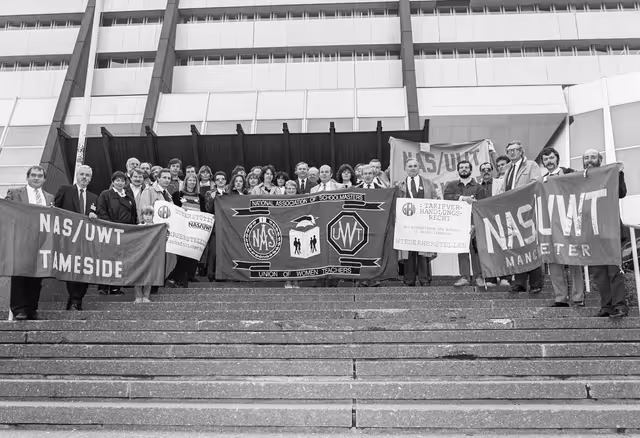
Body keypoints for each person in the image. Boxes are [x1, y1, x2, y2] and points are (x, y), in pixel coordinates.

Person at [583, 149, 629, 318]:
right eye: (586, 157)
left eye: (593, 157)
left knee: (614, 271)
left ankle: (620, 306)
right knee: (599, 274)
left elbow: (621, 193)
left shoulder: (610, 175)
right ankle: (606, 307)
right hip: (591, 234)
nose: (589, 160)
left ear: (599, 160)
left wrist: (619, 173)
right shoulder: (580, 180)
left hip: (611, 232)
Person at [5, 165, 54, 321]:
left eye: (40, 175)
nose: (36, 178)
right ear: (27, 177)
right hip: (20, 240)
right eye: (33, 175)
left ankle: (32, 309)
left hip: (40, 241)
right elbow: (6, 211)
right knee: (20, 274)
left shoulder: (49, 197)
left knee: (37, 275)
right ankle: (19, 309)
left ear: (44, 179)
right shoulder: (15, 193)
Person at [539, 148, 585, 308]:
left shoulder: (570, 173)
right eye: (546, 159)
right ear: (543, 163)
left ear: (557, 159)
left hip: (569, 223)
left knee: (574, 259)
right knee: (553, 260)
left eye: (551, 158)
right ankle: (560, 298)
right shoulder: (541, 181)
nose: (549, 161)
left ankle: (578, 297)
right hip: (551, 226)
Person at [498, 141, 544, 294]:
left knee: (532, 246)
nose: (512, 153)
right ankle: (519, 282)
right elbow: (502, 191)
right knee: (517, 247)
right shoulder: (507, 169)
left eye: (515, 150)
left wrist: (518, 195)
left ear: (521, 151)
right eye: (509, 150)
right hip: (512, 213)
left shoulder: (531, 165)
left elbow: (536, 184)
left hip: (527, 211)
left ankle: (536, 282)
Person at [53, 165, 98, 311]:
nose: (84, 177)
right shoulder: (65, 190)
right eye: (82, 174)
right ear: (77, 176)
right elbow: (55, 210)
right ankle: (74, 299)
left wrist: (95, 218)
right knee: (71, 268)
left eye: (87, 175)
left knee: (83, 269)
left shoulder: (93, 198)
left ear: (90, 179)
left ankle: (77, 299)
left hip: (85, 240)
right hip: (67, 239)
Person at [396, 159, 439, 287]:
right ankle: (409, 280)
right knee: (408, 252)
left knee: (423, 252)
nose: (413, 168)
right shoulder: (399, 185)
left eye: (415, 166)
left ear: (419, 168)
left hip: (424, 223)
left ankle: (424, 280)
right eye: (410, 166)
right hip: (406, 223)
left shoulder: (428, 183)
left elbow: (435, 199)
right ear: (405, 168)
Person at [96, 171, 138, 295]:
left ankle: (116, 287)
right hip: (109, 232)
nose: (120, 183)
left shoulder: (129, 196)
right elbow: (101, 211)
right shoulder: (106, 194)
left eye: (122, 180)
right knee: (107, 259)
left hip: (125, 233)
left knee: (120, 260)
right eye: (117, 180)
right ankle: (103, 286)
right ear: (113, 182)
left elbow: (133, 215)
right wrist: (110, 225)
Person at [444, 160, 484, 287]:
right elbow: (446, 197)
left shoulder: (478, 187)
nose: (464, 169)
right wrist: (462, 198)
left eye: (466, 167)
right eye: (461, 168)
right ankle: (464, 277)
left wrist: (475, 224)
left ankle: (479, 277)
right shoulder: (451, 185)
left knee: (476, 251)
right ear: (458, 170)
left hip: (474, 225)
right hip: (458, 225)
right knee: (462, 250)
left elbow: (482, 206)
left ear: (471, 170)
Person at [139, 168, 174, 294]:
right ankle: (147, 286)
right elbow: (143, 211)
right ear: (158, 178)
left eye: (169, 178)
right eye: (164, 177)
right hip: (151, 232)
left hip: (162, 233)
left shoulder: (168, 195)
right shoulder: (149, 191)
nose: (167, 180)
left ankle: (156, 283)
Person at [168, 174, 206, 288]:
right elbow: (175, 210)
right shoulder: (178, 195)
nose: (192, 182)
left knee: (192, 254)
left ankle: (184, 277)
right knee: (183, 255)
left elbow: (204, 212)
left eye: (194, 180)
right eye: (190, 180)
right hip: (182, 228)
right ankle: (175, 277)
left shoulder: (201, 197)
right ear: (186, 181)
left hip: (195, 230)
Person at [476, 162, 507, 288]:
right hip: (484, 223)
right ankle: (491, 278)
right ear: (480, 173)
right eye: (483, 170)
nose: (486, 172)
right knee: (487, 251)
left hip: (499, 220)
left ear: (492, 171)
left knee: (502, 250)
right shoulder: (477, 187)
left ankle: (505, 277)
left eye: (489, 169)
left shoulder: (501, 183)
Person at [205, 172, 229, 282]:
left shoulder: (229, 195)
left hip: (227, 227)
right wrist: (212, 199)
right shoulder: (209, 193)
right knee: (213, 251)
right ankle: (210, 274)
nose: (220, 181)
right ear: (214, 182)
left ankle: (223, 273)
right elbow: (208, 209)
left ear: (225, 181)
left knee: (226, 250)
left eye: (222, 179)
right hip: (215, 226)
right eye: (218, 179)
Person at [134, 205, 156, 303]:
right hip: (140, 254)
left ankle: (146, 296)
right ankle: (138, 296)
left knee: (148, 276)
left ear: (153, 216)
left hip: (151, 255)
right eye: (145, 214)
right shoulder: (138, 227)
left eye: (150, 214)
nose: (147, 216)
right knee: (138, 275)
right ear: (142, 216)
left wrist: (166, 229)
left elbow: (164, 238)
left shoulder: (157, 227)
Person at [284, 180, 300, 289]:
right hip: (285, 233)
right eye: (288, 188)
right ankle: (287, 281)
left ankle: (296, 281)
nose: (291, 190)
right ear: (285, 190)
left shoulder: (301, 201)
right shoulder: (280, 201)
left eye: (293, 189)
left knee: (297, 258)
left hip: (298, 232)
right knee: (286, 259)